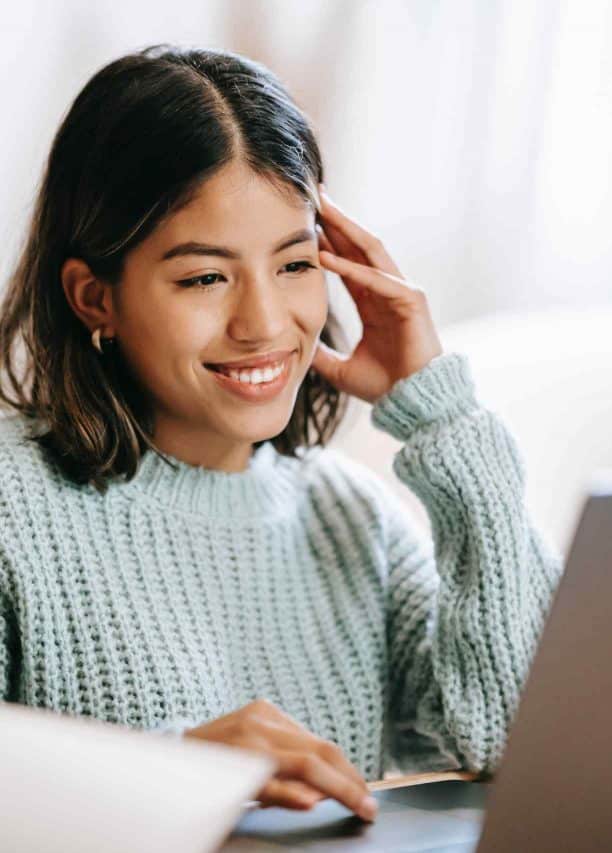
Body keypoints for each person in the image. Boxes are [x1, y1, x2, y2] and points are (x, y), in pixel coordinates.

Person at [0, 44, 562, 823]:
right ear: (95, 297)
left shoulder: (357, 525)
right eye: (205, 277)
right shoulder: (12, 505)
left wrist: (445, 416)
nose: (264, 323)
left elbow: (526, 756)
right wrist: (169, 776)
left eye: (295, 265)